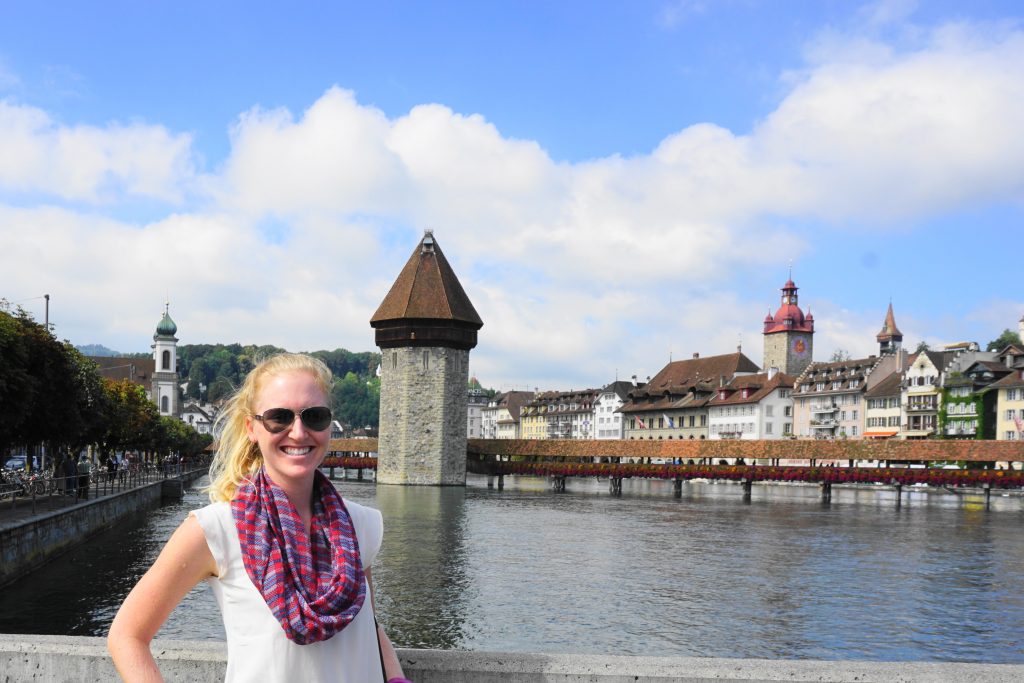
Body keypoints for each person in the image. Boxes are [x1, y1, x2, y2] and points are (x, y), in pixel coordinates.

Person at [108, 353, 408, 682]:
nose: (298, 432)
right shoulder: (217, 529)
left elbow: (368, 626)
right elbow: (127, 636)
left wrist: (396, 679)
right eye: (279, 417)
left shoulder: (359, 526)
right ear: (252, 428)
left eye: (315, 417)